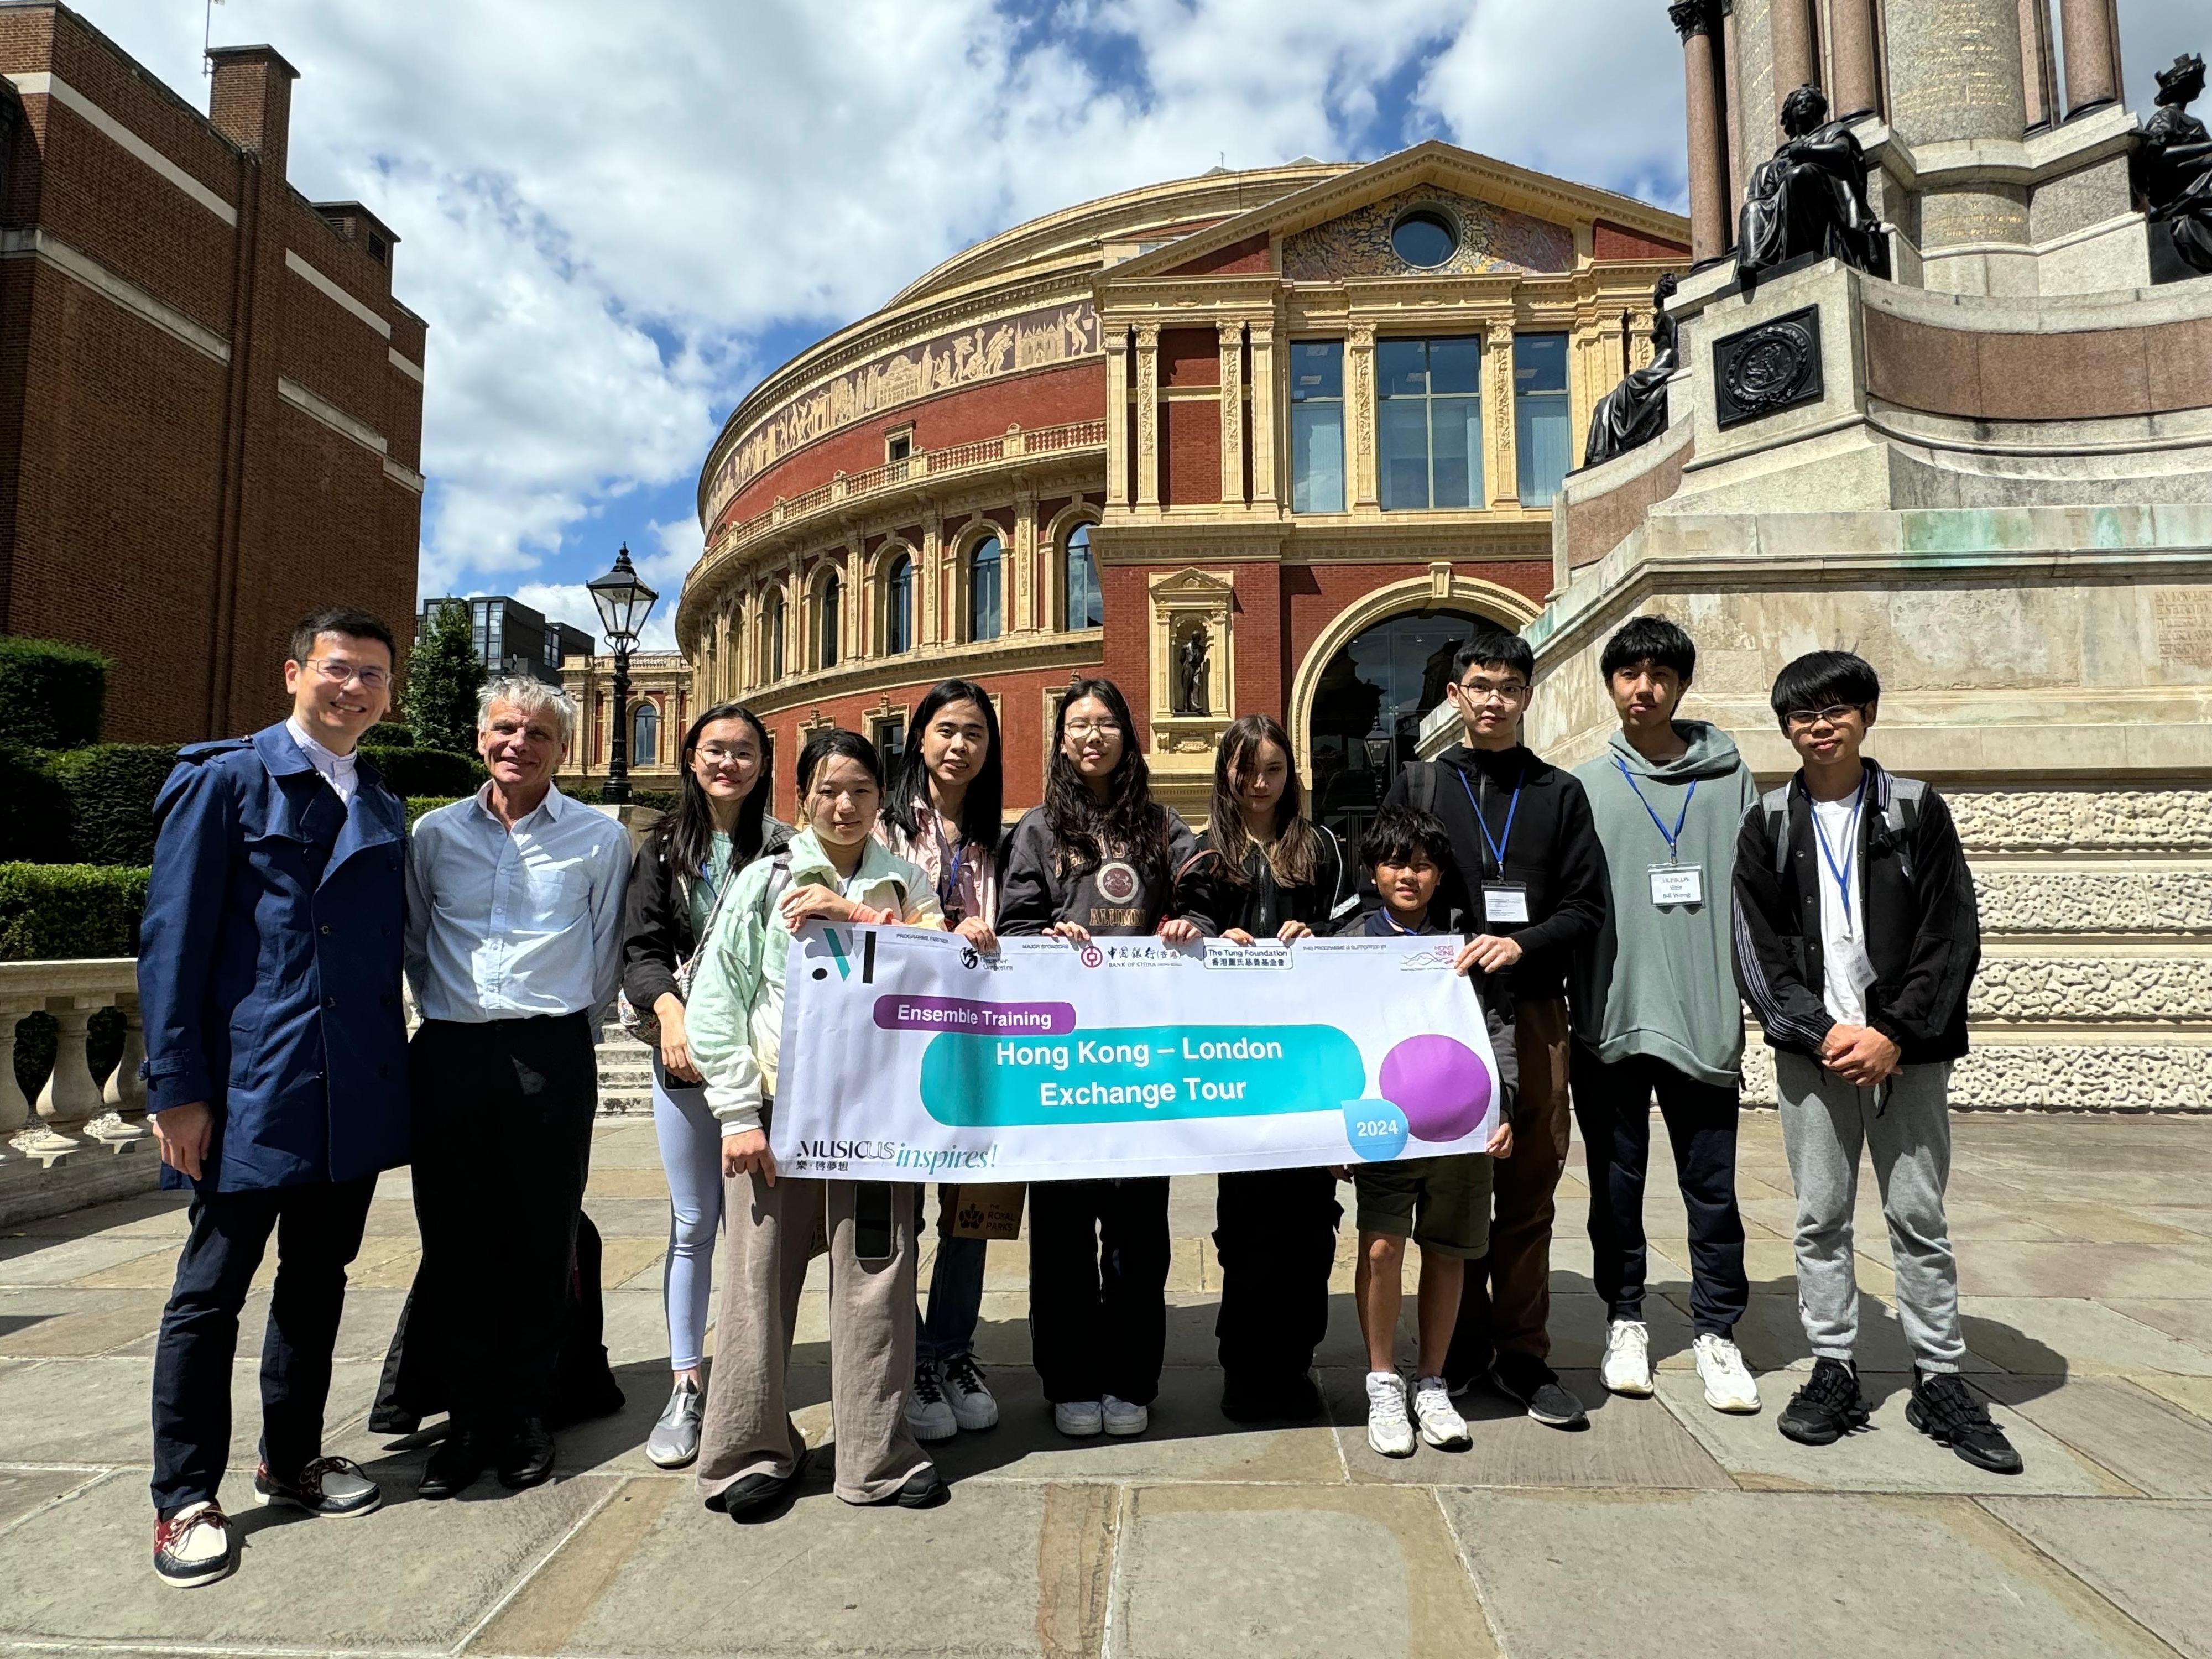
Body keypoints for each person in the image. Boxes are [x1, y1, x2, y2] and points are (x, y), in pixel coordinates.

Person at [138, 607, 410, 1588]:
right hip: (255, 1083)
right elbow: (171, 943)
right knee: (209, 1294)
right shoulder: (223, 780)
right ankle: (185, 1497)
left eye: (374, 676)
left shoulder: (380, 797)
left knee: (317, 1281)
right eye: (339, 670)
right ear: (294, 671)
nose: (355, 690)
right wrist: (176, 1088)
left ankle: (289, 1459)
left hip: (351, 1086)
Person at [1733, 651, 2021, 1474]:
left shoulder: (1915, 810)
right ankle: (1834, 1368)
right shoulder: (1769, 823)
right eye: (1801, 715)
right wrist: (1819, 1028)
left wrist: (1892, 1031)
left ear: (1867, 714)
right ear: (1785, 727)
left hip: (1909, 1058)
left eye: (1835, 710)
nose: (1818, 727)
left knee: (1918, 1217)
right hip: (1814, 1056)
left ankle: (1938, 1375)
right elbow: (1753, 945)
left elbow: (1951, 932)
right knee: (1820, 1217)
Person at [686, 728, 951, 1515]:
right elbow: (717, 1002)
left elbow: (947, 974)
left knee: (877, 1277)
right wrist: (736, 1113)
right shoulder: (765, 882)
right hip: (776, 1111)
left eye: (862, 792)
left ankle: (876, 1454)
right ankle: (747, 1450)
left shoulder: (906, 882)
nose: (845, 806)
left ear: (882, 801)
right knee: (758, 1279)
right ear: (804, 796)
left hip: (877, 1116)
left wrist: (854, 914)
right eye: (830, 790)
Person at [404, 677, 632, 1499]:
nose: (519, 744)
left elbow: (606, 951)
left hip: (550, 1050)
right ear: (480, 738)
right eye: (505, 728)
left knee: (544, 1241)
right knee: (456, 1239)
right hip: (453, 1050)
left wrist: (564, 1028)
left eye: (538, 733)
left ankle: (529, 1412)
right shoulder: (432, 836)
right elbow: (417, 938)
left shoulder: (598, 840)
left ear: (563, 750)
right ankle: (468, 1420)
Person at [1385, 623, 1604, 1430]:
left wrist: (1521, 942)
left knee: (1528, 1188)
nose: (1494, 701)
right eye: (1480, 686)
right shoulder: (1424, 787)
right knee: (1443, 1186)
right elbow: (1390, 887)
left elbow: (1588, 910)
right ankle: (1449, 1354)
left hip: (1535, 1010)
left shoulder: (1559, 794)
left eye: (1510, 688)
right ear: (1456, 695)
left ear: (1527, 696)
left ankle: (1521, 1355)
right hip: (1442, 1012)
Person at [999, 676, 1214, 1438]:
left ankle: (1130, 1379)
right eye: (1079, 725)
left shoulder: (1162, 828)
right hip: (1059, 1066)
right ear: (1061, 741)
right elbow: (1014, 927)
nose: (1093, 736)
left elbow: (1202, 894)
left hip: (1140, 1064)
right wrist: (1044, 939)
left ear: (1128, 736)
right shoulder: (1034, 830)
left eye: (1107, 724)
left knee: (1136, 1235)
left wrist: (1189, 922)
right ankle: (1068, 1379)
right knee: (1059, 1235)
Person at [1569, 617, 1759, 1413]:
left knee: (1712, 1191)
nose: (1643, 689)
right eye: (1628, 675)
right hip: (1610, 1017)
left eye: (1659, 675)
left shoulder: (1731, 780)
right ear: (1609, 686)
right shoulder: (1583, 783)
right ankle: (1624, 1319)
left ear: (1681, 685)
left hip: (1704, 1015)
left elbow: (1760, 900)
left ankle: (1718, 1331)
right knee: (1615, 1189)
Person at [620, 701, 790, 1469]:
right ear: (691, 759)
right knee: (694, 1223)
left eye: (745, 751)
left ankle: (756, 1381)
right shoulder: (662, 849)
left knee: (762, 1235)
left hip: (771, 1071)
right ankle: (687, 1380)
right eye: (715, 750)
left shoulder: (788, 849)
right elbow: (642, 949)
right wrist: (669, 1014)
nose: (729, 763)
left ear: (764, 764)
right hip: (687, 1060)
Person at [1188, 713, 1354, 1423]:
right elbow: (1181, 928)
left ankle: (1296, 1361)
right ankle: (1244, 1367)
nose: (1259, 783)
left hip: (1312, 1063)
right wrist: (1205, 935)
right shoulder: (1203, 854)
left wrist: (1316, 936)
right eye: (1246, 770)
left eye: (1273, 770)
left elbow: (1357, 935)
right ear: (1226, 774)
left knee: (1312, 1222)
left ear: (1292, 775)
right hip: (1238, 1069)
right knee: (1247, 1223)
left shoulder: (1322, 849)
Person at [1336, 807, 1516, 1457]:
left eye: (1420, 865)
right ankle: (1383, 1380)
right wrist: (1336, 1132)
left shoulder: (1467, 943)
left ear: (1439, 874)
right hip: (1386, 1127)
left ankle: (1432, 1382)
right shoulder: (1350, 941)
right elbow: (1338, 1036)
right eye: (1394, 863)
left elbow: (1499, 1028)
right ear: (1373, 872)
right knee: (1382, 1249)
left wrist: (1507, 1108)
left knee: (1447, 1252)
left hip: (1462, 1129)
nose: (1407, 876)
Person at [873, 681, 1007, 1444]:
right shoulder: (885, 824)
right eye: (948, 731)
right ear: (919, 737)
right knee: (902, 1209)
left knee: (971, 1212)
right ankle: (911, 1358)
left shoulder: (997, 833)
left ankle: (953, 1350)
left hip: (976, 1042)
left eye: (976, 736)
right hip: (899, 1038)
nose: (960, 746)